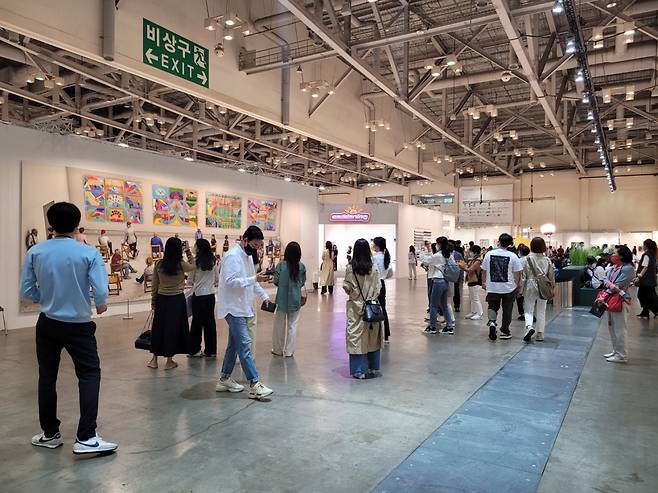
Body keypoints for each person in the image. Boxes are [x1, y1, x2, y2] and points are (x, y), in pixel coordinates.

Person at [20, 201, 117, 455]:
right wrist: (101, 304)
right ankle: (86, 436)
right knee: (89, 375)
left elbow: (26, 290)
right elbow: (101, 290)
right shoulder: (88, 253)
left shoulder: (36, 252)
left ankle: (50, 433)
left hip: (48, 323)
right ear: (77, 225)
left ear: (50, 225)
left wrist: (50, 297)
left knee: (47, 377)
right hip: (79, 325)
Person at [215, 226, 274, 399]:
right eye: (255, 245)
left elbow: (252, 281)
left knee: (234, 346)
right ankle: (254, 383)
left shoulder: (247, 257)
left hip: (242, 307)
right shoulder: (232, 256)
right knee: (244, 345)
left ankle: (224, 379)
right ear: (245, 240)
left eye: (259, 246)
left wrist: (264, 297)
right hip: (233, 308)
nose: (256, 249)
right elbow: (231, 282)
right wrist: (254, 278)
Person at [148, 237, 194, 370]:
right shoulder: (181, 264)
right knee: (172, 329)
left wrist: (153, 301)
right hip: (176, 300)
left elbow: (155, 285)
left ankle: (154, 360)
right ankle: (169, 361)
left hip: (162, 299)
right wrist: (188, 251)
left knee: (158, 328)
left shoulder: (158, 264)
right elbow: (195, 265)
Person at [343, 238, 383, 379]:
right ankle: (373, 367)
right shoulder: (374, 268)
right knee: (372, 336)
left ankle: (358, 370)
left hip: (356, 307)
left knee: (356, 337)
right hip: (371, 307)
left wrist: (355, 295)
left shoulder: (350, 268)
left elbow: (347, 287)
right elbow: (379, 287)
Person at [482, 233, 523, 341]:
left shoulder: (489, 254)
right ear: (510, 244)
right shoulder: (513, 256)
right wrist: (517, 285)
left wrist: (484, 282)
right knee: (507, 310)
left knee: (492, 306)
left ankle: (492, 322)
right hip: (508, 288)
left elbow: (484, 270)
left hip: (492, 287)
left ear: (498, 241)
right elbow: (517, 273)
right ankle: (505, 331)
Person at [601, 246, 636, 363]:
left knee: (620, 328)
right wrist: (611, 286)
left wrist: (608, 288)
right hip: (610, 299)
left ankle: (622, 355)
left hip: (620, 300)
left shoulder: (628, 269)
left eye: (615, 253)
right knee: (612, 327)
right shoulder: (613, 267)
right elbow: (605, 280)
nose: (612, 255)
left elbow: (618, 284)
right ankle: (616, 350)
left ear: (621, 256)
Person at [272, 241, 306, 357]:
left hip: (281, 300)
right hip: (295, 300)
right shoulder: (301, 267)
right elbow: (302, 283)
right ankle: (289, 351)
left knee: (279, 325)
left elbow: (275, 281)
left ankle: (277, 349)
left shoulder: (280, 266)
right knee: (293, 326)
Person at [188, 239, 219, 358]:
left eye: (195, 245)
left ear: (199, 248)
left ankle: (194, 350)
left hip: (198, 296)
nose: (194, 247)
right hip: (210, 296)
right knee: (210, 323)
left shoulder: (196, 262)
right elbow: (217, 279)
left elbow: (190, 281)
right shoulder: (213, 261)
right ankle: (211, 351)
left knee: (197, 323)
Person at [521, 237, 555, 343]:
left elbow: (523, 277)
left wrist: (520, 289)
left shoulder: (526, 259)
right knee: (541, 310)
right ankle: (540, 333)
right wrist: (551, 287)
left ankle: (529, 326)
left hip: (530, 285)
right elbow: (551, 276)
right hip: (543, 286)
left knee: (528, 309)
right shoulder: (547, 260)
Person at [421, 236, 455, 335]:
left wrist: (423, 250)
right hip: (445, 281)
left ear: (439, 244)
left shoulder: (439, 256)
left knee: (433, 305)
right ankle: (449, 326)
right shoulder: (448, 255)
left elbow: (426, 260)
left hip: (437, 282)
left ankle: (432, 327)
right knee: (444, 305)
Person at [372, 237, 392, 343]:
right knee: (383, 309)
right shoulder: (386, 257)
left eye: (374, 244)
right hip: (382, 284)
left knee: (372, 308)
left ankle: (374, 333)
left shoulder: (375, 257)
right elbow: (390, 273)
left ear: (377, 246)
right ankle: (386, 335)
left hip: (375, 284)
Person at [634, 239, 658, 319]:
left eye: (643, 245)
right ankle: (645, 312)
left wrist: (639, 277)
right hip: (650, 280)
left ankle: (655, 311)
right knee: (646, 296)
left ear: (646, 246)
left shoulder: (646, 254)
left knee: (643, 296)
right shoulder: (652, 254)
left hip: (646, 281)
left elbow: (645, 267)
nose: (643, 246)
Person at [460, 244, 483, 320]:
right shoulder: (473, 260)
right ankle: (473, 311)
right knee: (472, 298)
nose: (470, 253)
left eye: (471, 252)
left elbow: (470, 270)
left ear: (475, 252)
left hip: (475, 281)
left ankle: (479, 313)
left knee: (475, 298)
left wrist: (462, 268)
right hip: (470, 280)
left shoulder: (478, 261)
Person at [516, 244, 530, 320]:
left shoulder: (520, 261)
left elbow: (518, 273)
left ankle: (522, 313)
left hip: (522, 281)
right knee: (528, 299)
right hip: (530, 282)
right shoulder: (530, 259)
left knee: (519, 298)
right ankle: (528, 313)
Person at [450, 240, 465, 313]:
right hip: (447, 276)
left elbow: (462, 265)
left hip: (455, 276)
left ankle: (457, 306)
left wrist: (461, 276)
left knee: (456, 292)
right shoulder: (444, 254)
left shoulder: (458, 254)